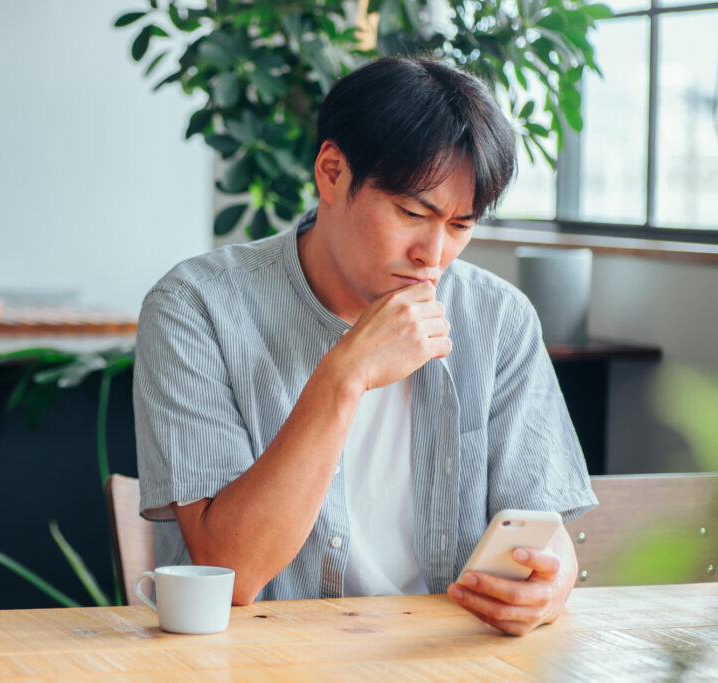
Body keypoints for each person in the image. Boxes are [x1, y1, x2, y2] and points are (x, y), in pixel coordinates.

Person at [133, 56, 597, 636]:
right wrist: (345, 376)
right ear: (331, 173)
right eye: (411, 213)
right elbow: (232, 569)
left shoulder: (497, 318)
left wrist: (553, 583)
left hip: (443, 660)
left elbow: (540, 524)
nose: (434, 254)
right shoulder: (195, 306)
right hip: (262, 663)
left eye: (460, 226)